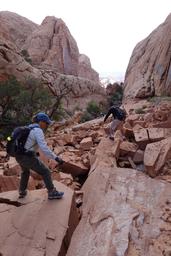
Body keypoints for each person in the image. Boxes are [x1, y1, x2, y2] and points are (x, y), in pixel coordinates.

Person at [15, 112, 64, 200]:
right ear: (41, 122)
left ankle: (22, 191)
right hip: (27, 157)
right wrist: (56, 158)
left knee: (25, 171)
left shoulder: (29, 128)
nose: (47, 125)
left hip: (19, 155)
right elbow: (44, 148)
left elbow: (29, 144)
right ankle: (52, 192)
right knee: (45, 171)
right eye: (46, 123)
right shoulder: (38, 130)